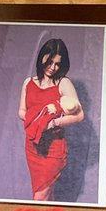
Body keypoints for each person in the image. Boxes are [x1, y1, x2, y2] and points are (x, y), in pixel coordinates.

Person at [18, 38, 84, 201]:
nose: (53, 68)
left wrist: (53, 123)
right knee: (46, 193)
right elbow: (21, 111)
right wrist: (36, 120)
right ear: (41, 58)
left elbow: (79, 115)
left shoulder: (63, 83)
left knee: (40, 196)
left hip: (54, 146)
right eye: (49, 62)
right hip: (33, 146)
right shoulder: (28, 83)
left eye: (57, 64)